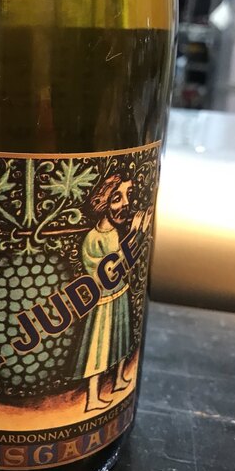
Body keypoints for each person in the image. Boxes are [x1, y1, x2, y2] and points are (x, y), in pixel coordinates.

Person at [75, 175, 153, 413]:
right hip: (103, 303)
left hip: (119, 296)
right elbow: (105, 273)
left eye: (128, 195)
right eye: (117, 198)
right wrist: (136, 234)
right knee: (98, 352)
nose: (125, 204)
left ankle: (119, 379)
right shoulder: (93, 238)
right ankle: (92, 398)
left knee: (122, 341)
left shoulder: (114, 233)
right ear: (104, 203)